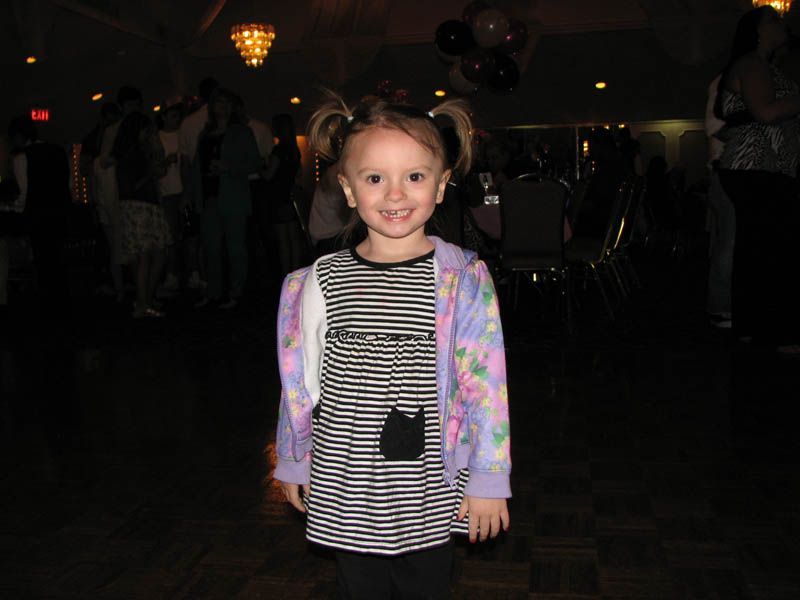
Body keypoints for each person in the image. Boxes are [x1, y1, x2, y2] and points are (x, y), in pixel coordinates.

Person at [274, 95, 511, 598]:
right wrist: (295, 457)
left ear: (443, 184)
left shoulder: (460, 280)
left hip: (428, 487)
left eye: (416, 177)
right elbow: (300, 383)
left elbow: (485, 386)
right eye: (375, 177)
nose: (395, 193)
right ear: (348, 189)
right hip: (346, 483)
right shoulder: (318, 281)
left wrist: (488, 477)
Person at [715, 5, 800, 351]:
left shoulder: (766, 66)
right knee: (771, 248)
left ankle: (754, 327)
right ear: (757, 30)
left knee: (758, 247)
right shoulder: (751, 64)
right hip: (755, 167)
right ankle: (774, 331)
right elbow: (765, 112)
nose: (781, 22)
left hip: (763, 168)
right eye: (773, 19)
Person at [194, 88, 261, 309]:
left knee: (235, 247)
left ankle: (236, 292)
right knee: (210, 246)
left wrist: (228, 168)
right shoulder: (205, 134)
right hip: (209, 196)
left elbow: (254, 163)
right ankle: (213, 291)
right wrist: (192, 194)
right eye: (218, 102)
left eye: (226, 102)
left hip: (233, 196)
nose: (222, 107)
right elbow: (196, 167)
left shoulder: (241, 132)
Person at [2, 116, 72, 316]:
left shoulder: (22, 158)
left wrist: (12, 208)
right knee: (58, 261)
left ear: (17, 136)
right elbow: (66, 186)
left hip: (38, 216)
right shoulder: (58, 151)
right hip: (59, 213)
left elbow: (24, 192)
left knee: (43, 262)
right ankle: (62, 305)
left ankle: (49, 308)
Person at [112, 111, 171, 318]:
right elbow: (131, 186)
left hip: (147, 205)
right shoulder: (129, 154)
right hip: (138, 206)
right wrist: (151, 174)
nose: (150, 133)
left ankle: (145, 298)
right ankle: (143, 302)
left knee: (157, 253)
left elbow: (157, 172)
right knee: (145, 255)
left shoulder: (142, 151)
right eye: (147, 130)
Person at [95, 86, 145, 302]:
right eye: (130, 105)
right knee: (121, 243)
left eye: (136, 105)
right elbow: (105, 161)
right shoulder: (114, 131)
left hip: (138, 191)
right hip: (119, 193)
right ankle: (124, 291)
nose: (133, 109)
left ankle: (139, 291)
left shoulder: (143, 128)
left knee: (138, 245)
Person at [705, 74, 735, 329]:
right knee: (730, 239)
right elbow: (714, 128)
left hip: (734, 171)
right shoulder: (724, 82)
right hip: (729, 171)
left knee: (730, 239)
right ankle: (720, 307)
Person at [262, 113, 303, 275]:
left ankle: (287, 275)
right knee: (293, 239)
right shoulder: (294, 149)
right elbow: (298, 173)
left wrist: (259, 166)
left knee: (283, 240)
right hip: (290, 196)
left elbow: (268, 175)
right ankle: (297, 273)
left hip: (278, 197)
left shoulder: (278, 150)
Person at [157, 101, 185, 293]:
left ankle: (186, 273)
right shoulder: (157, 137)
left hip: (183, 190)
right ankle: (171, 274)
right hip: (166, 192)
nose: (176, 120)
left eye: (178, 116)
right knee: (170, 236)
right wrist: (166, 161)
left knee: (185, 235)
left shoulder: (182, 135)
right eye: (173, 116)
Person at [308, 160, 349, 254]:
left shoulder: (335, 170)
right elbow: (346, 212)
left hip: (325, 234)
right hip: (327, 237)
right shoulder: (338, 173)